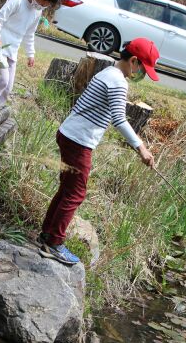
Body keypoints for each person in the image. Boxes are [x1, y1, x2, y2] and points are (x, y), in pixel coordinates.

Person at [38, 38, 159, 265]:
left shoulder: (107, 73)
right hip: (79, 141)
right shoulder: (118, 82)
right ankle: (54, 243)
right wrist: (142, 149)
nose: (141, 74)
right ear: (134, 61)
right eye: (143, 69)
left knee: (67, 190)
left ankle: (47, 235)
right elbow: (119, 120)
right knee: (75, 194)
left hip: (69, 133)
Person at [0, 0, 60, 111]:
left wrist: (31, 54)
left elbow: (30, 34)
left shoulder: (37, 12)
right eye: (43, 2)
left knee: (7, 88)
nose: (43, 6)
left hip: (11, 51)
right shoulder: (17, 1)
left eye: (47, 4)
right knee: (1, 81)